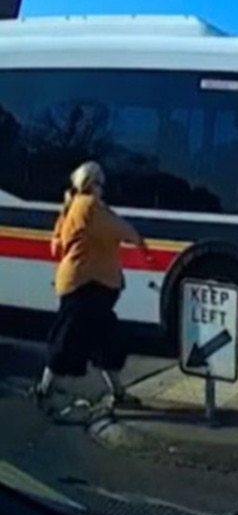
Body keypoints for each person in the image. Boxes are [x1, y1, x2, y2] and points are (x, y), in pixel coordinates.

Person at [32, 161, 154, 414]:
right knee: (69, 339)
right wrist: (139, 241)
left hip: (86, 283)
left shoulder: (71, 205)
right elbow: (120, 228)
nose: (103, 189)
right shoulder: (90, 207)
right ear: (92, 184)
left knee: (104, 340)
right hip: (88, 284)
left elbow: (56, 241)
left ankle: (117, 393)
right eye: (101, 184)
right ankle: (44, 389)